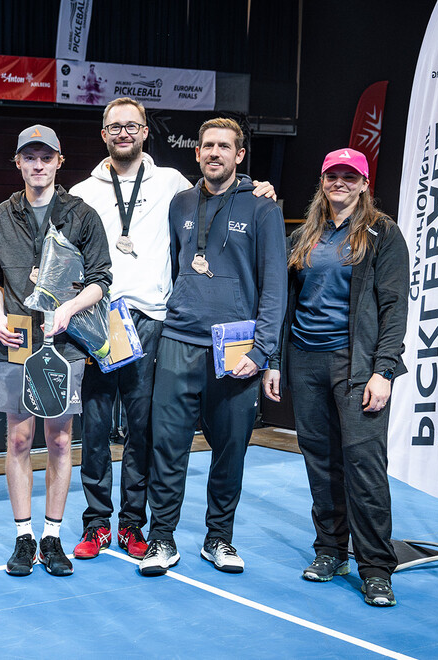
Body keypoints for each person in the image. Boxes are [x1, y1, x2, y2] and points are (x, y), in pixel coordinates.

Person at [69, 99, 276, 561]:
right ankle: (96, 523)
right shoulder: (82, 192)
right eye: (114, 126)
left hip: (152, 321)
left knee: (143, 432)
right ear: (103, 134)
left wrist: (257, 186)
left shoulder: (172, 184)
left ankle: (133, 524)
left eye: (132, 125)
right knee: (97, 430)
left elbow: (219, 195)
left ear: (146, 132)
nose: (123, 133)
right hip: (100, 321)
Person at [139, 117, 287, 577]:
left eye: (224, 146)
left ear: (239, 155)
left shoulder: (262, 206)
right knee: (167, 448)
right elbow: (172, 265)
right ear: (197, 152)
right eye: (208, 146)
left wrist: (263, 352)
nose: (215, 153)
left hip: (235, 349)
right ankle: (162, 538)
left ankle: (218, 538)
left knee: (230, 450)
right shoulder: (180, 202)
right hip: (178, 340)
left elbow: (275, 285)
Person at [263, 148, 407, 607]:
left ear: (364, 184)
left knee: (364, 468)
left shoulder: (383, 233)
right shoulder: (304, 234)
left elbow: (394, 308)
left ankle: (376, 569)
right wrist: (275, 360)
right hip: (306, 361)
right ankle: (330, 551)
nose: (339, 183)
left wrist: (383, 370)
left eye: (349, 176)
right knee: (321, 463)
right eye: (332, 175)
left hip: (356, 366)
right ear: (322, 181)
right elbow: (285, 303)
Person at [0, 125, 112, 577]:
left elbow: (101, 279)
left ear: (59, 161)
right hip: (17, 338)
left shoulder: (82, 215)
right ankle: (24, 537)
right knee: (19, 439)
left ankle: (52, 536)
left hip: (65, 341)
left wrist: (68, 309)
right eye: (29, 157)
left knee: (59, 440)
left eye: (46, 157)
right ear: (18, 162)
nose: (37, 165)